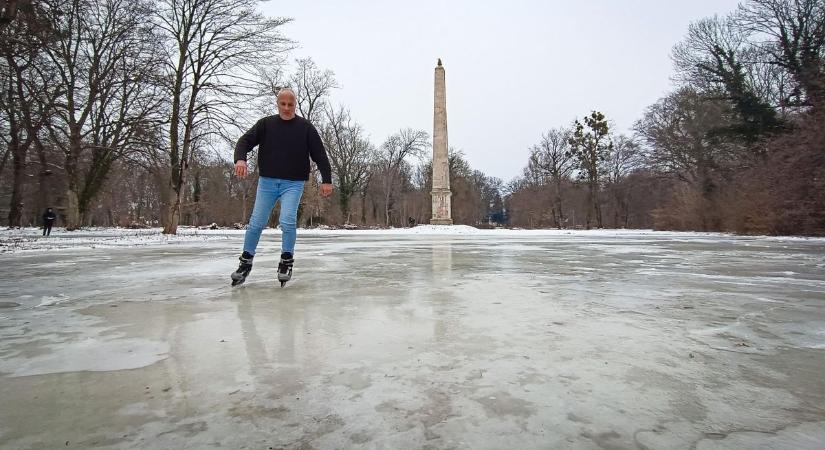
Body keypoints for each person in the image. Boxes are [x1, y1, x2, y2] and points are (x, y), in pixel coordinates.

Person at [231, 88, 333, 286]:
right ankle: (245, 263)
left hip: (293, 183)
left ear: (295, 105)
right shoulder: (266, 124)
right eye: (283, 104)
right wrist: (240, 159)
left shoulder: (305, 128)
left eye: (290, 104)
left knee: (287, 221)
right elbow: (244, 141)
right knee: (256, 223)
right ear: (277, 104)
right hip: (267, 182)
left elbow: (320, 155)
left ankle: (286, 262)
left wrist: (327, 180)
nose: (286, 108)